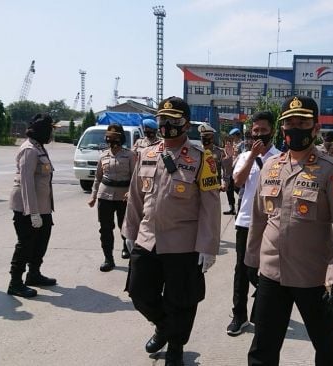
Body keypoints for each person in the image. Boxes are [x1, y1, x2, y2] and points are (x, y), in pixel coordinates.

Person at [245, 96, 333, 365]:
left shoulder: (331, 170)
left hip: (314, 277)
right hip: (272, 272)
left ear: (315, 128)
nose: (295, 128)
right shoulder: (270, 166)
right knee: (263, 347)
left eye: (302, 122)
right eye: (289, 123)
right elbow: (259, 218)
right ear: (282, 129)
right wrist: (251, 259)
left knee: (325, 346)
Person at [122, 96, 221, 366]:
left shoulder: (203, 159)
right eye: (161, 120)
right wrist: (129, 232)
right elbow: (135, 197)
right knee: (138, 292)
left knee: (182, 300)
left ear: (185, 123)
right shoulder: (147, 153)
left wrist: (208, 246)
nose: (165, 125)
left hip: (184, 244)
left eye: (172, 121)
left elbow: (210, 206)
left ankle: (176, 346)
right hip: (148, 238)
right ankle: (164, 327)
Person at [227, 111, 281, 336]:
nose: (258, 134)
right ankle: (239, 315)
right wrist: (252, 157)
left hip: (271, 223)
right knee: (242, 270)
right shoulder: (243, 157)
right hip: (246, 221)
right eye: (255, 131)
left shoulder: (281, 158)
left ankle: (262, 307)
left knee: (267, 269)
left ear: (273, 132)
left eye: (263, 130)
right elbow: (237, 183)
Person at [8, 113, 57, 298]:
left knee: (42, 240)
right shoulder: (29, 149)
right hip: (27, 208)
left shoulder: (39, 148)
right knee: (26, 244)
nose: (51, 134)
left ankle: (34, 274)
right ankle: (15, 283)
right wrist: (32, 213)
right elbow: (26, 183)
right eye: (49, 130)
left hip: (43, 206)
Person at [88, 124, 136, 270]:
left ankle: (127, 249)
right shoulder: (103, 155)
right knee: (105, 228)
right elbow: (98, 178)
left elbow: (135, 177)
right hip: (105, 195)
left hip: (124, 196)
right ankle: (108, 258)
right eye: (109, 138)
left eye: (115, 138)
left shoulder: (130, 155)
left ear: (121, 139)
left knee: (125, 226)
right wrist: (93, 196)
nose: (112, 141)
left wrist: (132, 193)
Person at [198, 123, 231, 193]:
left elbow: (224, 170)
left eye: (206, 136)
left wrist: (224, 183)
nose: (203, 138)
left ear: (212, 138)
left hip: (213, 187)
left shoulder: (219, 152)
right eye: (202, 136)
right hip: (197, 187)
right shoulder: (197, 151)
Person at [223, 128, 243, 215]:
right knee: (229, 189)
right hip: (231, 169)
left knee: (237, 188)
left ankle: (245, 202)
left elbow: (242, 157)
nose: (232, 138)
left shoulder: (242, 145)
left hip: (238, 170)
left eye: (233, 136)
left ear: (237, 135)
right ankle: (232, 208)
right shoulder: (234, 144)